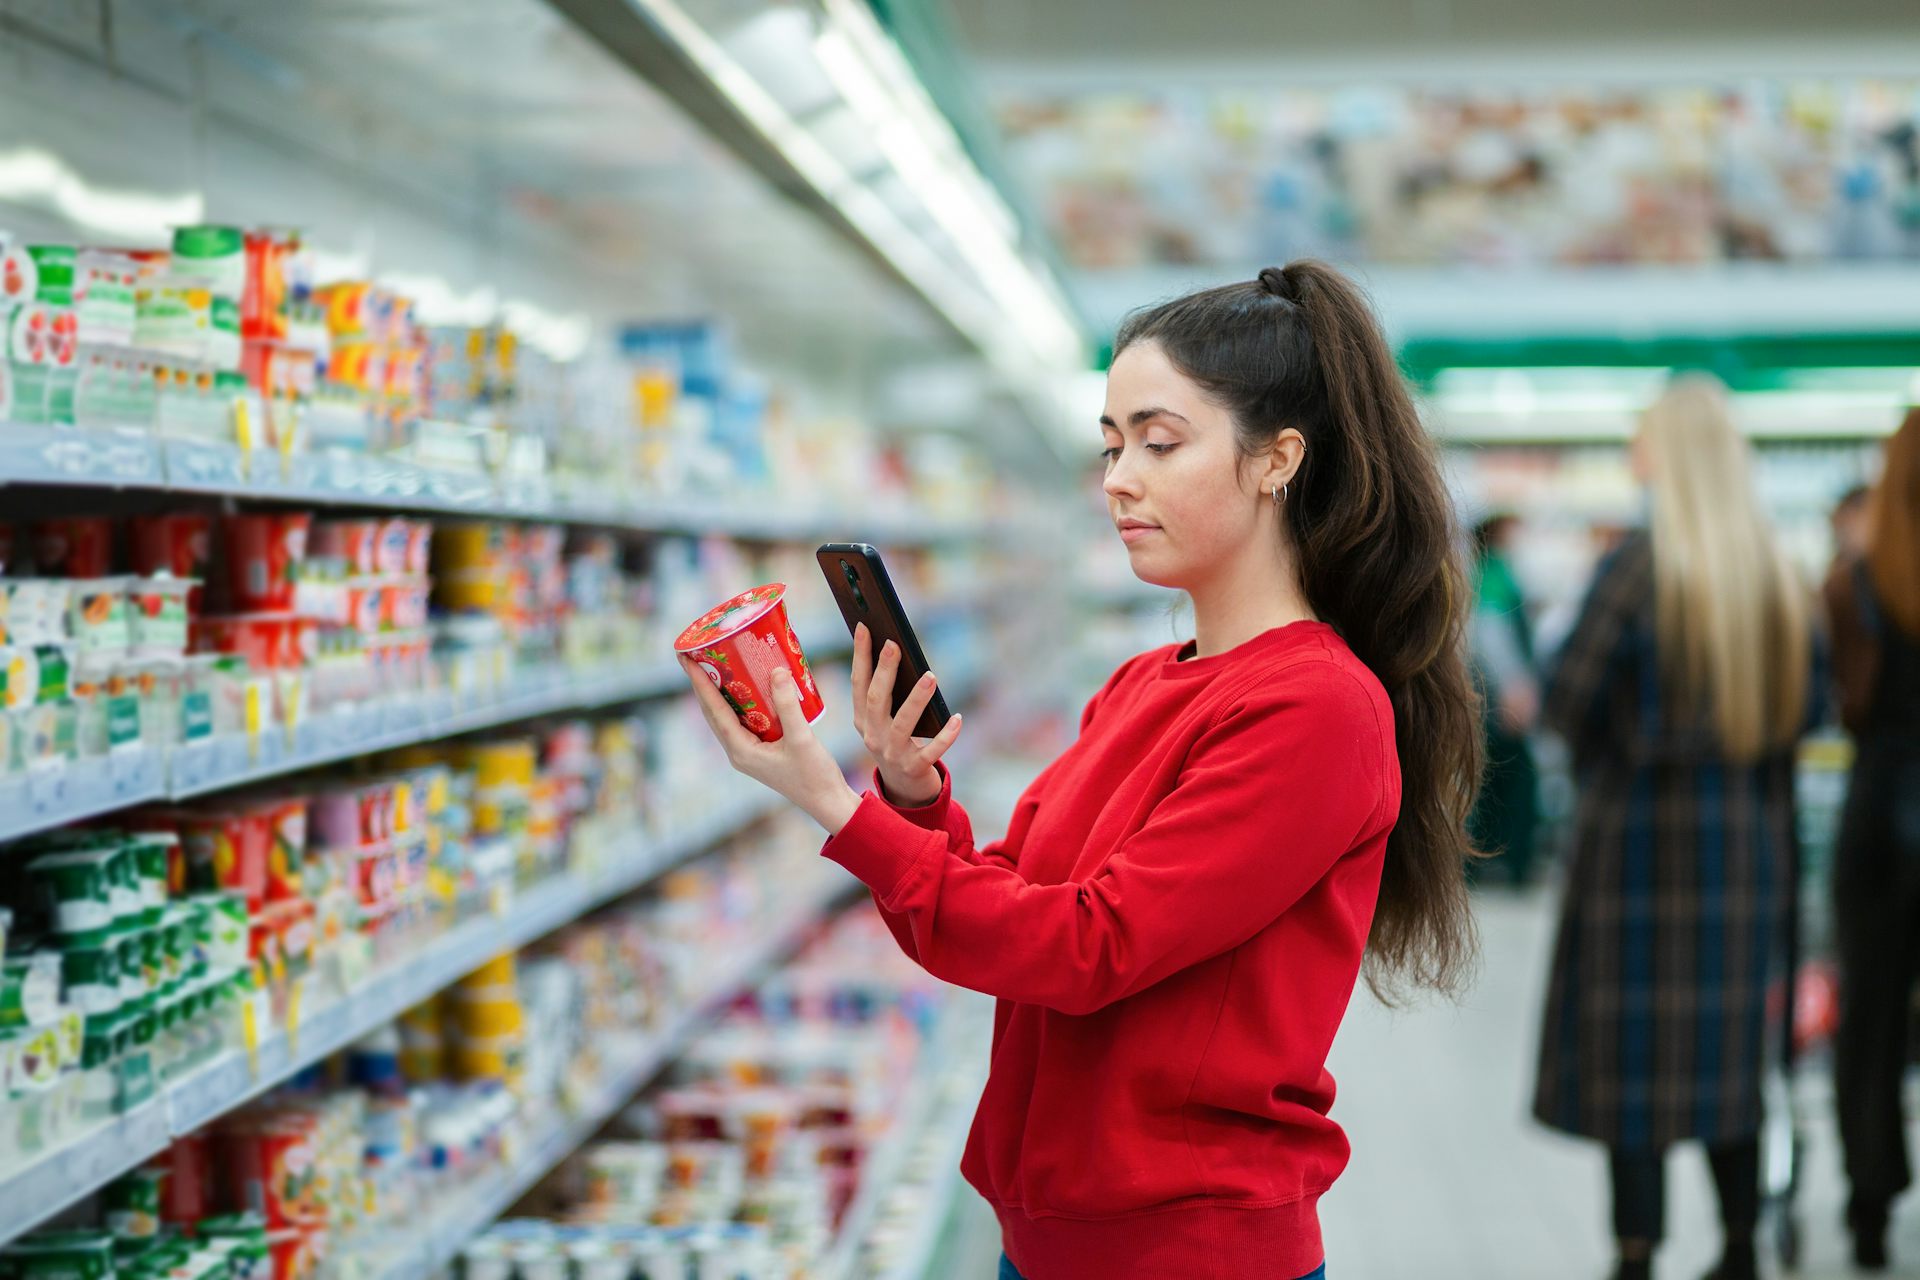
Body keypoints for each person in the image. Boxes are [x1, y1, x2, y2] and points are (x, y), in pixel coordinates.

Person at [681, 261, 1483, 1280]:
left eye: (1159, 441)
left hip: (1188, 1252)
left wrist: (827, 799)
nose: (1118, 479)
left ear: (1278, 458)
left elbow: (1085, 949)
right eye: (1110, 446)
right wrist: (912, 794)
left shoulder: (1316, 708)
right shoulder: (1145, 681)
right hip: (1056, 1241)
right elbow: (1003, 910)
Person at [1532, 376, 1820, 1280]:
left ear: (1671, 454)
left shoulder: (1637, 568)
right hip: (1745, 847)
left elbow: (1563, 699)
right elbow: (1811, 709)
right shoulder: (1774, 569)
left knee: (1636, 1066)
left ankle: (1636, 1252)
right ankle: (1739, 1244)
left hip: (1639, 852)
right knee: (1732, 1052)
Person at [1824, 409, 1920, 1271]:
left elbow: (1839, 703)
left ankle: (1869, 1203)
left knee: (1873, 1023)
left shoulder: (1855, 584)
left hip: (1878, 820)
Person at [1467, 511, 1542, 886]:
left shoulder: (1481, 572)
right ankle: (1511, 863)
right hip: (1499, 698)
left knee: (1488, 776)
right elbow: (1493, 637)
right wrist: (1516, 688)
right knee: (1514, 777)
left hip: (1485, 697)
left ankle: (1483, 863)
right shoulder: (1495, 574)